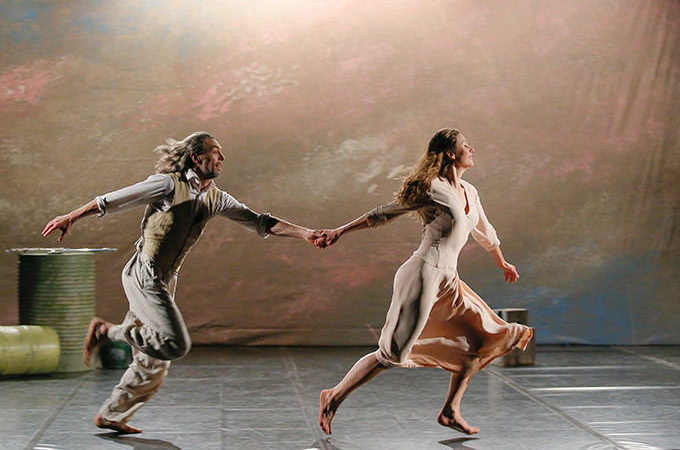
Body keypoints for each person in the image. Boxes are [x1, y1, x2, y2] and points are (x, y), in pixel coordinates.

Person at [42, 132, 322, 434]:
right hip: (144, 273)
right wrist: (72, 216)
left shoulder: (216, 198)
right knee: (175, 344)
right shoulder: (167, 184)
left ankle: (111, 414)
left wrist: (306, 233)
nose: (222, 158)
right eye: (215, 152)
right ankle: (107, 331)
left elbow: (261, 222)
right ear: (196, 157)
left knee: (155, 358)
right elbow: (112, 200)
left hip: (165, 278)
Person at [315, 128, 533, 435]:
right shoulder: (430, 187)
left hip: (448, 278)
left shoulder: (470, 191)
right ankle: (333, 396)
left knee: (482, 341)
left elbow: (485, 231)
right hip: (423, 273)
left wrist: (502, 262)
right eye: (465, 146)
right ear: (450, 154)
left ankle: (450, 411)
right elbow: (381, 214)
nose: (472, 149)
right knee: (393, 354)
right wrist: (339, 231)